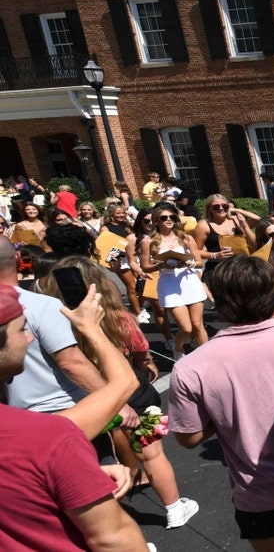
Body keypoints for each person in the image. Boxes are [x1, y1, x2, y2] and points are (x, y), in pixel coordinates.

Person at [170, 256, 274, 552]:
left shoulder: (191, 367)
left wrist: (223, 416)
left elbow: (188, 438)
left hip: (258, 490)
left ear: (218, 299)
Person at [41, 257, 200, 530]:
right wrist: (146, 361)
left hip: (88, 400)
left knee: (102, 458)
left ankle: (110, 517)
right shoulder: (119, 317)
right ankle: (174, 508)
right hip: (133, 392)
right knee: (153, 455)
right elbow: (140, 349)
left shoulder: (54, 322)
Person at [0, 283, 155, 551]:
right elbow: (114, 539)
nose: (29, 338)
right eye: (21, 329)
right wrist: (91, 328)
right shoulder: (49, 438)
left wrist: (69, 474)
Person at [140, 204, 208, 358]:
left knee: (198, 325)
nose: (169, 220)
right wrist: (160, 265)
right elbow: (145, 266)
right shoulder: (148, 241)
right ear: (157, 221)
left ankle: (208, 357)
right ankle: (178, 348)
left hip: (189, 279)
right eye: (164, 218)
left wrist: (188, 262)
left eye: (172, 217)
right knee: (186, 328)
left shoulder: (186, 238)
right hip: (169, 283)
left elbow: (198, 262)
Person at [193, 194, 259, 275]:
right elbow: (195, 251)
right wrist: (215, 255)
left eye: (225, 206)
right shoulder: (203, 225)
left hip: (240, 268)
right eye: (216, 207)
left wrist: (237, 210)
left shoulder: (236, 220)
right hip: (218, 269)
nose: (221, 208)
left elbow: (256, 219)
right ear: (209, 209)